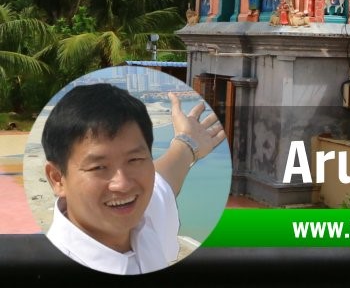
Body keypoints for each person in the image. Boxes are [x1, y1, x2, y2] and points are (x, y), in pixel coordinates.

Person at [42, 84, 225, 275]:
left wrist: (187, 142)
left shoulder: (143, 216)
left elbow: (165, 178)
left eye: (134, 159)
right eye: (98, 167)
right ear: (57, 179)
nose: (123, 184)